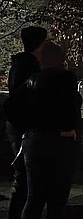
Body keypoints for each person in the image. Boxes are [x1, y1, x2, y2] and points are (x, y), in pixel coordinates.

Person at [18, 41, 82, 219]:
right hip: (61, 142)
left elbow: (12, 107)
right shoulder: (66, 81)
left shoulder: (31, 82)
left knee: (34, 197)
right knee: (57, 199)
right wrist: (66, 129)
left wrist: (28, 129)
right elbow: (72, 113)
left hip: (34, 141)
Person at [5, 26, 48, 219]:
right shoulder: (29, 69)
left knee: (24, 178)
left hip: (20, 128)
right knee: (27, 179)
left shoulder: (21, 66)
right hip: (25, 129)